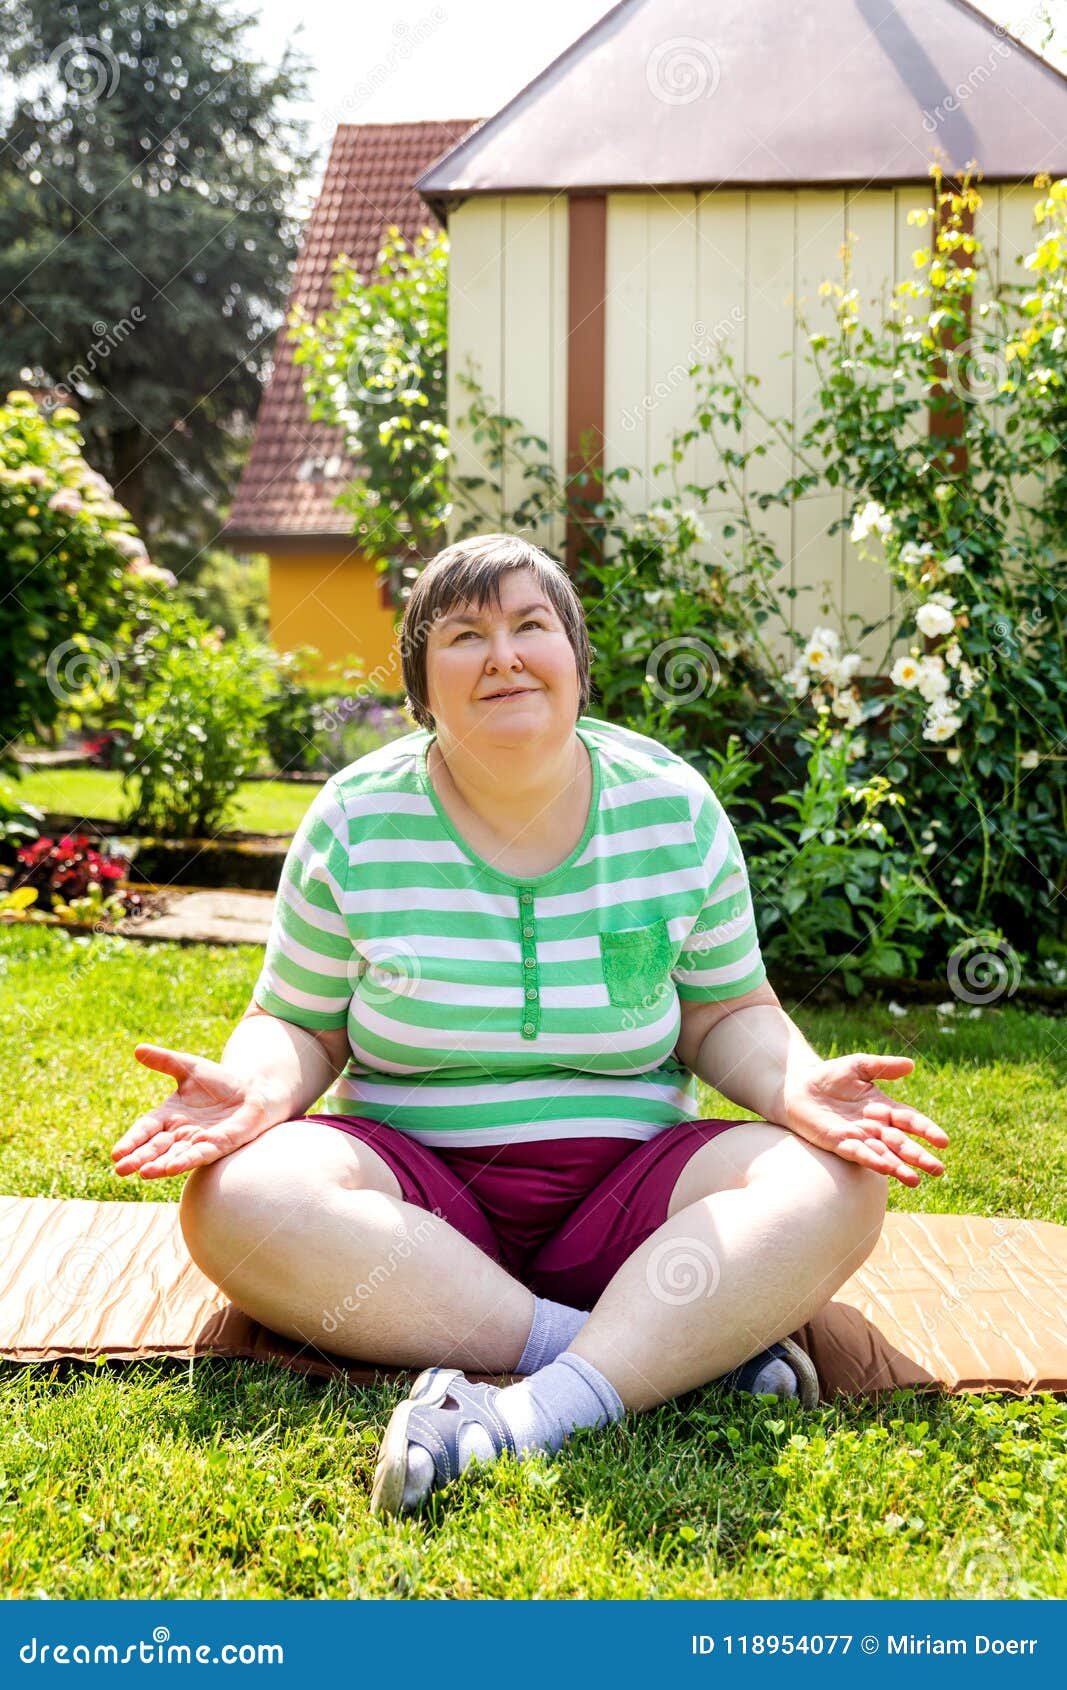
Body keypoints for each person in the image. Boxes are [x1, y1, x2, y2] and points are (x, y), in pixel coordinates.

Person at [111, 533, 948, 1519]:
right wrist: (256, 1087)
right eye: (464, 634)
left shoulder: (670, 809)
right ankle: (644, 1352)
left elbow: (723, 1012)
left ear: (576, 663)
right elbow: (298, 1019)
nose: (502, 654)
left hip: (630, 1202)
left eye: (529, 625)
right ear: (423, 687)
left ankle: (527, 1413)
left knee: (835, 1184)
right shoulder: (354, 818)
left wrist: (792, 1082)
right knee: (238, 1198)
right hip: (416, 1210)